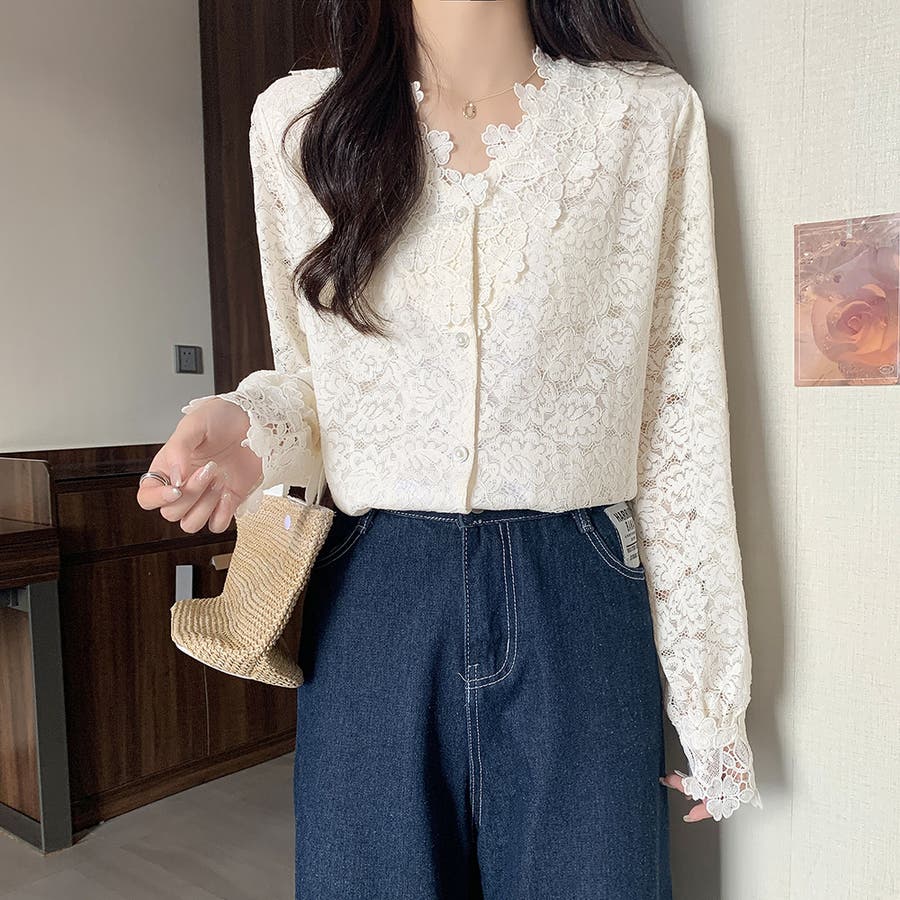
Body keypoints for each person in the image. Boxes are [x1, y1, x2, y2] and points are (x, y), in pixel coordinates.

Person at [137, 1, 763, 896]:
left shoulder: (643, 116)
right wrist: (253, 427)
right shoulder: (299, 124)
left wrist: (708, 698)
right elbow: (315, 376)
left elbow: (676, 412)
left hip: (577, 586)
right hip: (376, 592)